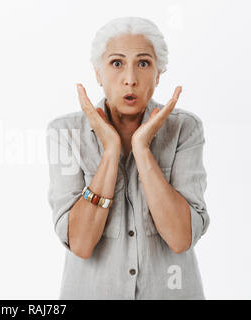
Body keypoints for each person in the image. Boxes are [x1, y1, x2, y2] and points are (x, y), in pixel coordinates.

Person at [46, 17, 209, 299]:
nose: (130, 78)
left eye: (143, 63)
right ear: (98, 73)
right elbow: (81, 244)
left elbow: (181, 238)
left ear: (159, 74)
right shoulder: (66, 133)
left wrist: (142, 150)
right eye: (117, 63)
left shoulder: (185, 128)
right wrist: (110, 151)